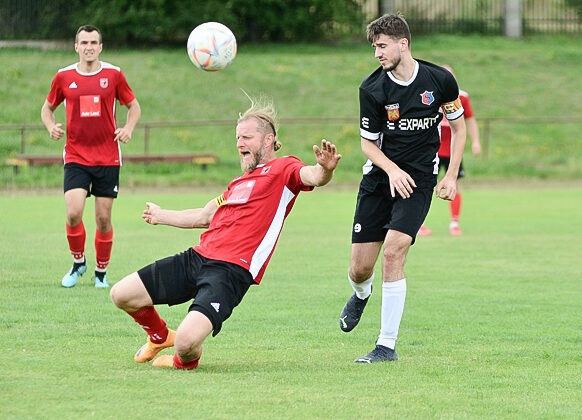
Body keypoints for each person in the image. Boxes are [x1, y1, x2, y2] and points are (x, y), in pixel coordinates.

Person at [110, 97, 341, 370]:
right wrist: (162, 216)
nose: (239, 143)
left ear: (267, 141)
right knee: (122, 294)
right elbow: (205, 216)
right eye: (237, 138)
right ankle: (160, 336)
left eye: (246, 137)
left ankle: (183, 362)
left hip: (230, 272)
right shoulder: (237, 184)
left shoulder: (283, 169)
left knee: (186, 344)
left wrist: (324, 169)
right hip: (198, 257)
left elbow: (311, 176)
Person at [339, 14, 466, 363]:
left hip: (419, 181)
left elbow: (458, 128)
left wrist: (451, 175)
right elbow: (368, 146)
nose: (377, 53)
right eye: (374, 47)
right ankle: (360, 294)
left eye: (381, 46)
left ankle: (386, 346)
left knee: (394, 252)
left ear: (402, 43)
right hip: (380, 180)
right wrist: (392, 170)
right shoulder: (372, 89)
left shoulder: (440, 80)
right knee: (360, 269)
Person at [41, 25, 141, 288]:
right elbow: (47, 108)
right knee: (73, 212)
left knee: (103, 218)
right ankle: (78, 263)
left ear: (100, 47)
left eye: (93, 42)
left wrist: (128, 128)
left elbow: (133, 106)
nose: (88, 47)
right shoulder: (63, 77)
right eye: (83, 42)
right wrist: (51, 126)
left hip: (108, 157)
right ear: (76, 47)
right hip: (75, 155)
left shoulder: (114, 75)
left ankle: (101, 273)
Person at [418, 64, 481, 236]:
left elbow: (470, 121)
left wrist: (476, 141)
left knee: (455, 185)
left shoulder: (462, 97)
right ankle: (419, 223)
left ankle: (454, 223)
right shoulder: (428, 94)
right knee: (426, 185)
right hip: (433, 149)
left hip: (454, 150)